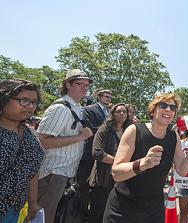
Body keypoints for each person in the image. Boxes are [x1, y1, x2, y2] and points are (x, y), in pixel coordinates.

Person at [102, 92, 188, 222]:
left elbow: (182, 170)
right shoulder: (134, 130)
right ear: (153, 110)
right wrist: (142, 164)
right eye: (163, 105)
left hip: (153, 210)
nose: (168, 110)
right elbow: (116, 173)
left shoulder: (173, 137)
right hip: (123, 209)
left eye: (172, 108)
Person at [37, 69, 93, 223]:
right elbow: (43, 141)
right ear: (68, 84)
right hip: (53, 173)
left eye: (87, 85)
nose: (84, 88)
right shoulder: (60, 108)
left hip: (67, 173)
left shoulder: (76, 107)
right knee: (44, 218)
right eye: (79, 83)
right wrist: (80, 137)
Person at [0, 79, 44, 222]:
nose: (30, 106)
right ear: (4, 98)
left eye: (34, 102)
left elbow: (32, 169)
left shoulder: (30, 133)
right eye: (24, 100)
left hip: (13, 208)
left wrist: (32, 202)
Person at [88, 103, 130, 223]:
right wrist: (119, 162)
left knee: (117, 212)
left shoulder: (129, 131)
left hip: (122, 178)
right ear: (112, 114)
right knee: (99, 212)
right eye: (118, 111)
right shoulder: (104, 129)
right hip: (103, 178)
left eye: (124, 112)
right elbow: (97, 153)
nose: (122, 114)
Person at [78, 89, 113, 221]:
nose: (108, 98)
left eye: (110, 96)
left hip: (104, 155)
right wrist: (105, 130)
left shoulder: (110, 112)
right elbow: (89, 128)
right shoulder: (89, 109)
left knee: (99, 189)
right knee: (84, 187)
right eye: (106, 96)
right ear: (99, 97)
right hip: (89, 154)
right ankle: (82, 215)